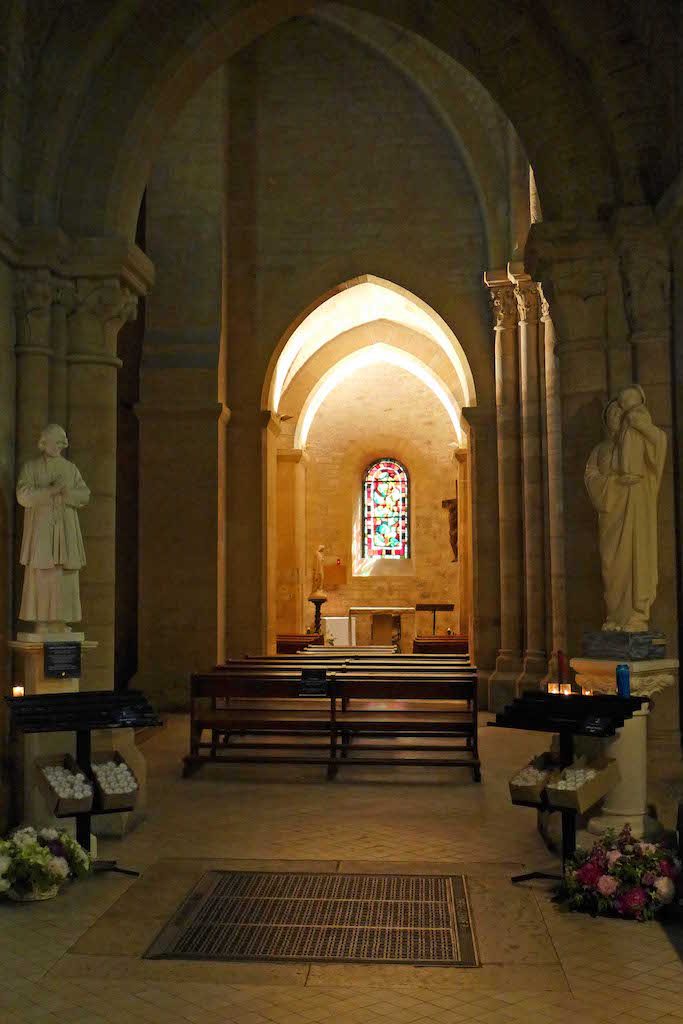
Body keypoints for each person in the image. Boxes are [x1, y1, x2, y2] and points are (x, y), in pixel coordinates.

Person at [584, 388, 666, 632]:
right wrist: (615, 483)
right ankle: (615, 615)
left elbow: (660, 443)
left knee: (636, 558)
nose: (615, 417)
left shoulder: (638, 442)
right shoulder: (600, 450)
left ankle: (637, 616)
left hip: (637, 511)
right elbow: (591, 477)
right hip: (612, 517)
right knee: (613, 568)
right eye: (610, 414)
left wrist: (643, 426)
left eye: (619, 412)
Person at [16, 424, 90, 631]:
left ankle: (60, 622)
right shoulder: (31, 467)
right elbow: (23, 495)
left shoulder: (70, 468)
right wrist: (50, 491)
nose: (62, 445)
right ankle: (42, 622)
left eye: (63, 441)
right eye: (57, 441)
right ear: (44, 442)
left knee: (64, 577)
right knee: (43, 575)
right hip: (42, 533)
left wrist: (67, 494)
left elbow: (85, 494)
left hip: (65, 533)